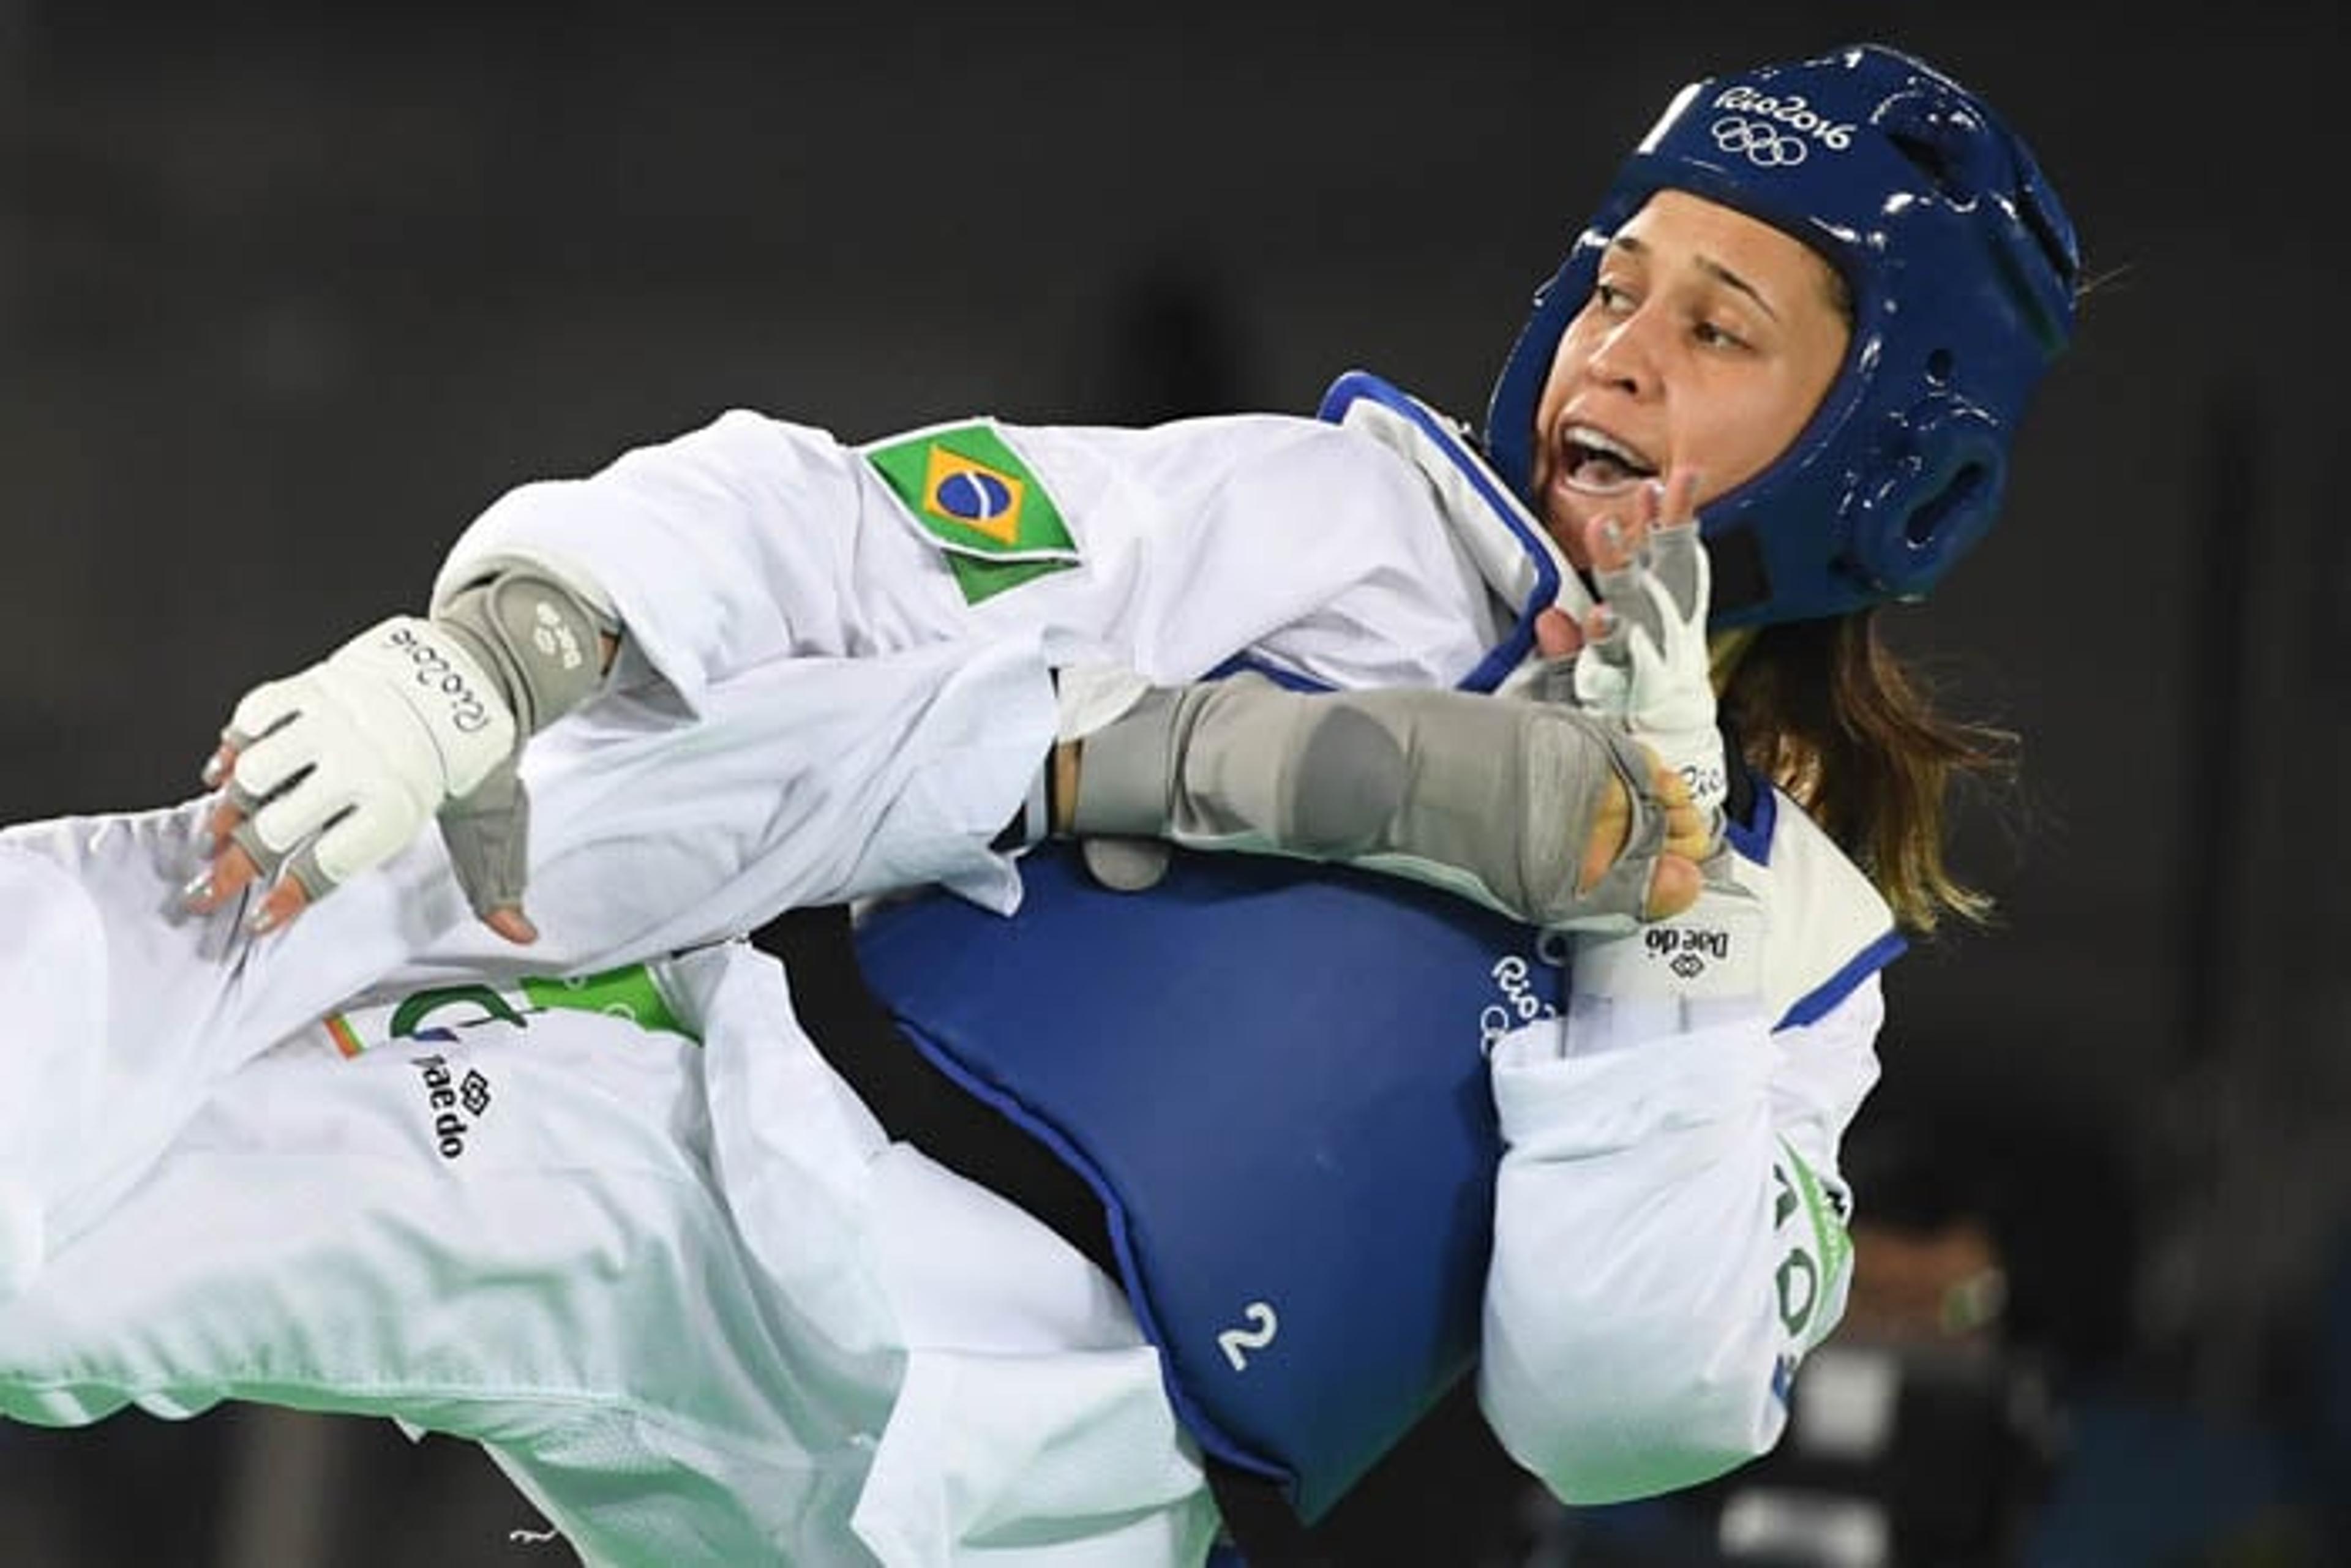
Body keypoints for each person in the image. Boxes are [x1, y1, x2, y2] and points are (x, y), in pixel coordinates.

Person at [0, 39, 2079, 1566]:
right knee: (73, 1192)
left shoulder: (1789, 960)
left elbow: (1618, 1403)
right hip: (726, 1198)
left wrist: (1667, 911)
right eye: (1617, 286)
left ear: (1888, 452)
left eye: (1719, 330)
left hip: (1076, 1515)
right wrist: (520, 639)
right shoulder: (1345, 524)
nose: (1618, 359)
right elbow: (855, 529)